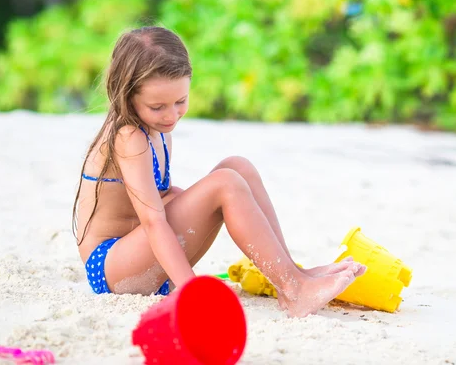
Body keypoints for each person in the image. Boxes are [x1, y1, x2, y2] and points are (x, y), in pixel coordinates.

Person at [72, 26, 365, 318]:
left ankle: (291, 275)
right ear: (127, 95)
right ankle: (294, 288)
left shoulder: (159, 131)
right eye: (157, 106)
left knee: (238, 168)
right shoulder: (129, 137)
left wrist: (213, 207)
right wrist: (191, 289)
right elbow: (152, 220)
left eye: (180, 102)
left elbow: (162, 196)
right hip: (112, 268)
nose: (172, 115)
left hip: (140, 252)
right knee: (225, 184)